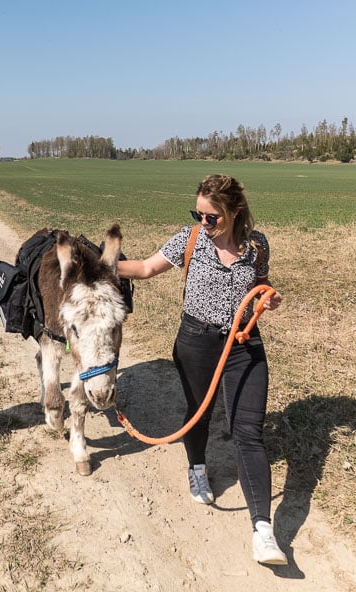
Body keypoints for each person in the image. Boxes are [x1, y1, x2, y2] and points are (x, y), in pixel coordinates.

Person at [116, 173, 287, 566]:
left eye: (212, 217)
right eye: (199, 214)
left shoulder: (256, 245)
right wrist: (99, 263)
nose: (204, 223)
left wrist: (269, 295)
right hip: (196, 341)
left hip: (244, 342)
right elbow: (144, 268)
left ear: (234, 212)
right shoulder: (190, 239)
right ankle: (197, 466)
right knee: (200, 414)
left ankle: (263, 531)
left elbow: (261, 282)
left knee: (248, 432)